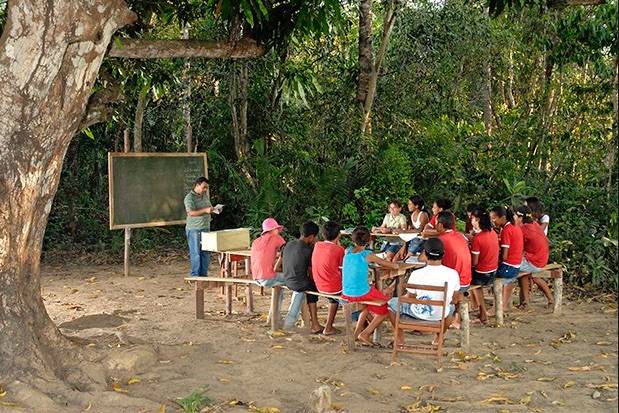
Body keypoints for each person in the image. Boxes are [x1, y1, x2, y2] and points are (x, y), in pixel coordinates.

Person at [387, 237, 460, 348]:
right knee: (451, 308)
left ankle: (400, 339)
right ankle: (438, 338)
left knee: (391, 304)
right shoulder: (453, 273)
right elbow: (455, 299)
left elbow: (411, 298)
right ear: (443, 254)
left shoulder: (416, 274)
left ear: (425, 254)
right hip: (441, 313)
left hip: (418, 312)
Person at [342, 226, 399, 348]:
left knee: (369, 301)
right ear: (369, 241)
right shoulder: (368, 255)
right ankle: (365, 333)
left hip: (346, 292)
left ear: (353, 240)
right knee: (386, 306)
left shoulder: (347, 251)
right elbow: (392, 266)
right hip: (360, 292)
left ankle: (358, 332)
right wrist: (395, 264)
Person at [281, 221, 324, 334]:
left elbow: (279, 265)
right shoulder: (308, 250)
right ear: (311, 237)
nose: (314, 240)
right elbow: (311, 271)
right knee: (313, 288)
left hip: (286, 279)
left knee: (307, 285)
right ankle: (315, 324)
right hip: (298, 283)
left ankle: (312, 323)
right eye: (314, 238)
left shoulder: (288, 244)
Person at [434, 211, 472, 329]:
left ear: (440, 225)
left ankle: (436, 319)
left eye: (436, 223)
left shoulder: (441, 240)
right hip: (467, 279)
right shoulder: (460, 235)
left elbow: (425, 258)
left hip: (457, 284)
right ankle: (455, 316)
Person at [514, 205, 554, 309]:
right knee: (526, 274)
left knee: (510, 267)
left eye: (515, 215)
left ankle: (505, 304)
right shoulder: (534, 224)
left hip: (535, 261)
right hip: (541, 258)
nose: (513, 217)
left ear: (520, 218)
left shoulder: (524, 230)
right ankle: (527, 302)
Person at [250, 217, 287, 324]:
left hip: (256, 278)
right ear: (272, 230)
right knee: (295, 280)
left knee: (280, 287)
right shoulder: (276, 238)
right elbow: (287, 250)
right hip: (268, 277)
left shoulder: (256, 241)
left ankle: (274, 316)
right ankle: (280, 317)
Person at [312, 221, 346, 335]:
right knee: (355, 292)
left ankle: (328, 327)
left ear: (322, 235)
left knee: (334, 294)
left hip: (319, 285)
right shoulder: (339, 250)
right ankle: (329, 327)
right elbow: (342, 269)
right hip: (333, 288)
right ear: (339, 234)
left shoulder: (317, 245)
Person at [488, 206, 523, 314]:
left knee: (488, 273)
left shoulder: (507, 230)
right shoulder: (515, 226)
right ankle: (503, 304)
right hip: (516, 265)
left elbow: (504, 256)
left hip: (509, 267)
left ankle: (496, 306)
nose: (492, 221)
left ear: (503, 218)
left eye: (494, 219)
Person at [469, 208, 499, 324]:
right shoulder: (492, 233)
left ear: (477, 220)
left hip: (483, 274)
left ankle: (482, 313)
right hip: (493, 270)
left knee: (469, 280)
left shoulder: (477, 239)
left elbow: (474, 262)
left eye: (472, 219)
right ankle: (479, 309)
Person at [184, 176, 218, 277]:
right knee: (196, 253)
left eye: (206, 188)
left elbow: (208, 207)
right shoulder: (189, 198)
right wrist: (205, 210)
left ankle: (203, 274)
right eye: (204, 187)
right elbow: (191, 213)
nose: (205, 190)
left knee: (205, 252)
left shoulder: (204, 196)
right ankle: (195, 275)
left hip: (205, 227)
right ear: (197, 185)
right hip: (194, 229)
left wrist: (215, 210)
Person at [394, 195, 430, 260]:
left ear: (416, 206)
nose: (408, 206)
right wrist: (404, 246)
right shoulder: (411, 215)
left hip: (422, 240)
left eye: (410, 204)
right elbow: (409, 230)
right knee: (396, 257)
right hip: (413, 239)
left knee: (407, 259)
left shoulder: (423, 215)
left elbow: (420, 230)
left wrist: (403, 231)